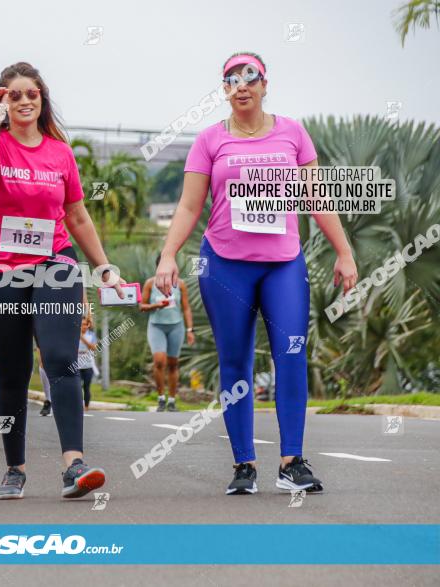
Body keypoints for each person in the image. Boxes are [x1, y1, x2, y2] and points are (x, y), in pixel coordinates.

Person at [156, 52, 358, 496]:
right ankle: (244, 464)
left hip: (283, 263)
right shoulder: (209, 140)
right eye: (231, 79)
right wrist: (168, 255)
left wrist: (344, 252)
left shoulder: (293, 133)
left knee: (290, 354)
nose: (241, 85)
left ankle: (292, 462)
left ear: (266, 84)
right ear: (224, 89)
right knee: (235, 362)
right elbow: (190, 206)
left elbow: (318, 199)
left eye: (251, 77)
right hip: (225, 265)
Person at [0, 62, 125, 500]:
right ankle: (14, 467)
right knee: (14, 370)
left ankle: (74, 463)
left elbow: (76, 214)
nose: (23, 101)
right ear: (2, 100)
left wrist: (104, 265)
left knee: (61, 357)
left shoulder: (59, 152)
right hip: (3, 271)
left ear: (42, 99)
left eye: (30, 94)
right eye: (13, 95)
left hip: (56, 263)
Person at [140, 254, 195, 412]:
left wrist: (190, 329)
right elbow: (142, 306)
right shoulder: (150, 283)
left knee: (173, 364)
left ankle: (172, 400)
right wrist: (156, 305)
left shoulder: (180, 284)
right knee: (159, 361)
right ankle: (160, 398)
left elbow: (186, 308)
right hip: (156, 326)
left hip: (176, 327)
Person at [77, 316, 98, 410]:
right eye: (81, 325)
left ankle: (86, 407)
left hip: (88, 365)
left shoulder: (91, 335)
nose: (83, 326)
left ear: (88, 325)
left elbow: (93, 348)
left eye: (85, 324)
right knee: (77, 387)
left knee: (86, 387)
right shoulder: (73, 335)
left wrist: (82, 338)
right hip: (76, 365)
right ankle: (78, 406)